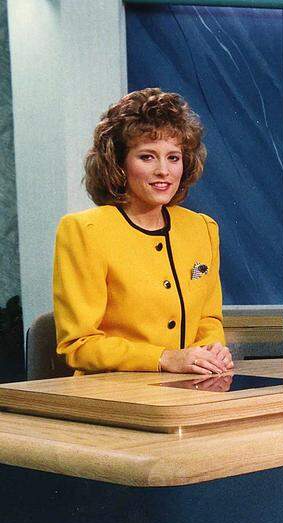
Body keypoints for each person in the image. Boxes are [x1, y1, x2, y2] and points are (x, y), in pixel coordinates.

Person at [53, 88, 232, 374]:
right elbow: (79, 344)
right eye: (147, 157)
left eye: (173, 157)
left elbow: (208, 320)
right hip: (112, 394)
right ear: (120, 164)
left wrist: (213, 351)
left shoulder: (202, 228)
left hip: (190, 388)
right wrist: (163, 358)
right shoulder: (84, 231)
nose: (164, 170)